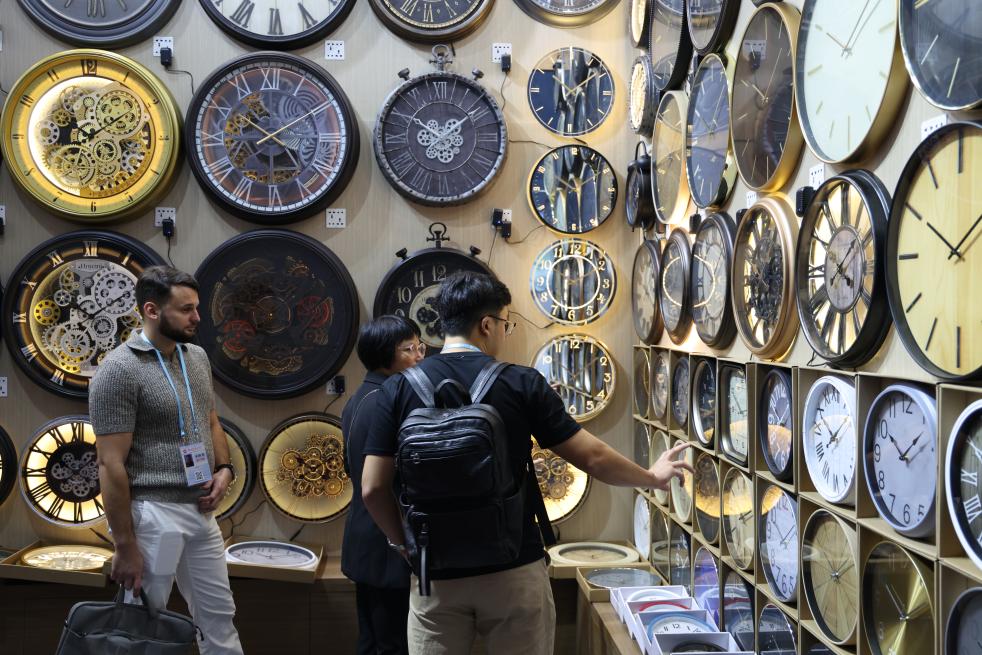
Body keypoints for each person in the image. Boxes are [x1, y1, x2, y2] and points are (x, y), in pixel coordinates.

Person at [362, 271, 692, 654]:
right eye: (506, 323)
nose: (505, 332)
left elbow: (372, 488)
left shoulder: (397, 389)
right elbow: (593, 457)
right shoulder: (521, 383)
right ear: (486, 325)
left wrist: (403, 543)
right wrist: (651, 476)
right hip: (513, 567)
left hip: (435, 572)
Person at [90, 266, 243, 655]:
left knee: (219, 617)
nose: (197, 317)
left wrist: (224, 469)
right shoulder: (118, 370)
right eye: (186, 309)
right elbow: (109, 464)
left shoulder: (196, 357)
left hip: (200, 509)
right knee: (141, 627)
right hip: (153, 513)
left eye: (196, 307)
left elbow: (210, 419)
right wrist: (125, 545)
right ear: (152, 310)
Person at [342, 315, 426, 655]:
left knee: (373, 640)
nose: (419, 356)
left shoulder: (360, 397)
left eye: (419, 347)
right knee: (392, 643)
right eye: (409, 349)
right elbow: (379, 485)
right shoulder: (388, 400)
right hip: (386, 538)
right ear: (382, 355)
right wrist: (400, 540)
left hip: (364, 533)